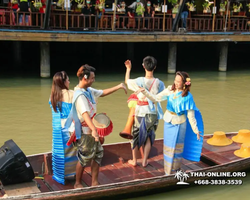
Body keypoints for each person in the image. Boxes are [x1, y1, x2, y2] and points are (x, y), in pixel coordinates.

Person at [64, 64, 127, 188]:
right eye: (92, 78)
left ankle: (94, 182)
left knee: (98, 153)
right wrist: (94, 130)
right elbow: (85, 114)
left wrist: (119, 86)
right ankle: (77, 183)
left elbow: (102, 93)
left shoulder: (88, 90)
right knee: (84, 156)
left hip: (91, 128)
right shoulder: (80, 95)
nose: (93, 80)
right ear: (85, 78)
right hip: (84, 130)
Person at [138, 71, 204, 175]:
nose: (176, 83)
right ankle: (167, 172)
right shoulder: (169, 90)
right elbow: (156, 98)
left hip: (180, 123)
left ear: (184, 83)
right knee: (168, 147)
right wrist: (145, 92)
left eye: (178, 81)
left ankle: (176, 168)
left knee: (177, 147)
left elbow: (191, 116)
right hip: (168, 121)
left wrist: (195, 130)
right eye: (175, 80)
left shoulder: (188, 96)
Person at [124, 56, 165, 167]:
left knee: (135, 135)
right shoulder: (159, 83)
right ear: (155, 67)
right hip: (152, 113)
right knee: (149, 136)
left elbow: (127, 82)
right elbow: (162, 97)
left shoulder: (139, 81)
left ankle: (134, 160)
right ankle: (144, 161)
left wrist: (128, 69)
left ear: (143, 66)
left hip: (140, 111)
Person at [49, 71, 78, 185]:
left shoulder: (53, 95)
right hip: (70, 126)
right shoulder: (72, 93)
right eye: (68, 80)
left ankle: (60, 175)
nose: (69, 82)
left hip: (58, 128)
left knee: (60, 152)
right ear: (63, 81)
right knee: (73, 152)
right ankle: (74, 174)